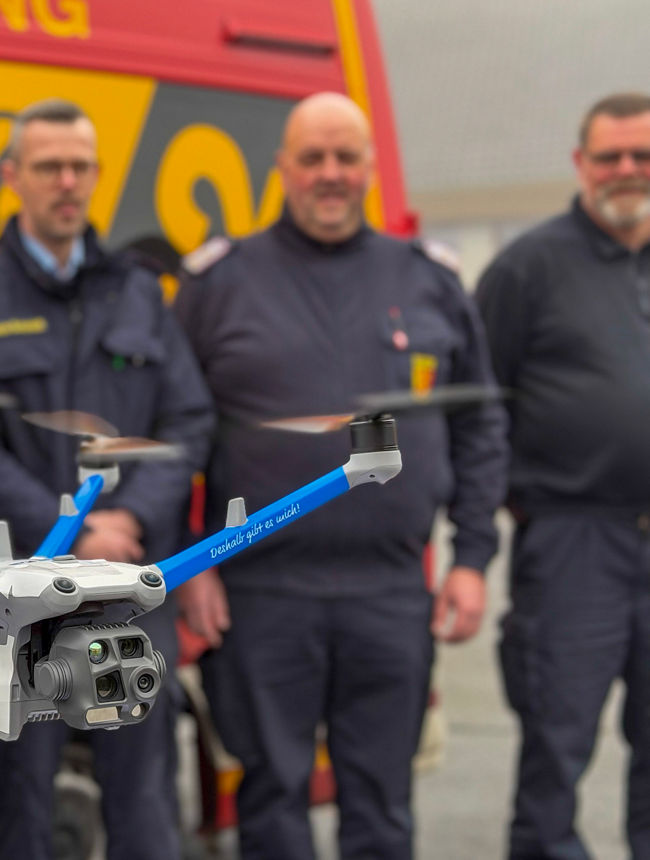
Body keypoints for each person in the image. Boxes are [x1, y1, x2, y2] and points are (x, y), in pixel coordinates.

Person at [173, 92, 508, 860]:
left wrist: (474, 560)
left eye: (346, 157)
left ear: (370, 168)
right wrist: (190, 563)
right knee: (271, 801)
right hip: (262, 592)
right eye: (313, 158)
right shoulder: (219, 283)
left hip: (390, 591)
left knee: (383, 805)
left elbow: (480, 426)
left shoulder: (429, 280)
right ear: (283, 168)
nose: (330, 174)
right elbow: (175, 430)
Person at [0, 98, 214, 860]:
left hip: (126, 591)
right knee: (21, 806)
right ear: (11, 177)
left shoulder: (138, 293)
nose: (67, 182)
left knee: (144, 802)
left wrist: (131, 526)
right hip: (18, 596)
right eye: (49, 166)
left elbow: (186, 424)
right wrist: (80, 529)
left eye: (80, 167)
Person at [475, 91, 650, 860]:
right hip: (576, 542)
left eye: (642, 156)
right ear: (580, 163)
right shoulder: (527, 269)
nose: (626, 170)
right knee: (557, 746)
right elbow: (481, 412)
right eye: (609, 156)